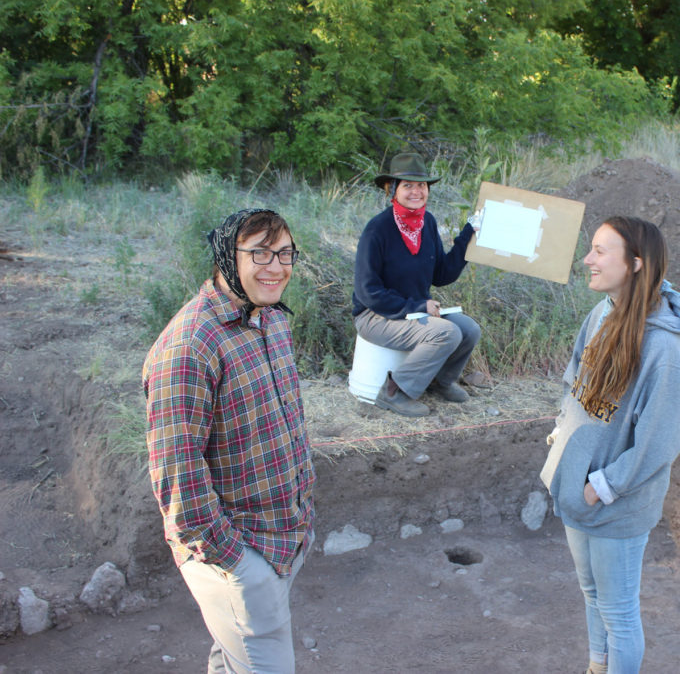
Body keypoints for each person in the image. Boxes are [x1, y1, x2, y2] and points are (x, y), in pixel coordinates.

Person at [143, 208, 315, 674]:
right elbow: (178, 475)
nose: (276, 266)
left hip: (283, 536)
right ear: (225, 256)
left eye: (284, 253)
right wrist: (237, 564)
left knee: (230, 657)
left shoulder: (271, 318)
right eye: (259, 252)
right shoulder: (190, 345)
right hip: (238, 555)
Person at [540, 216, 680, 674]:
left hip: (616, 502)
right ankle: (596, 667)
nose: (588, 259)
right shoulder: (602, 313)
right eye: (590, 248)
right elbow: (575, 380)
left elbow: (662, 439)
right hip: (575, 486)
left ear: (635, 263)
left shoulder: (663, 349)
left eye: (600, 251)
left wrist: (604, 484)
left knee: (620, 612)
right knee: (592, 595)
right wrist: (562, 438)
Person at [352, 151, 481, 417]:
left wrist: (468, 236)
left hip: (413, 312)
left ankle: (440, 382)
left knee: (469, 329)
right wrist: (416, 304)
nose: (416, 191)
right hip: (376, 315)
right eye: (407, 185)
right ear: (393, 188)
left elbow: (441, 275)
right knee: (447, 333)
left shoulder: (427, 223)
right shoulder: (378, 229)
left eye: (421, 185)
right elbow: (367, 291)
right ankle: (394, 392)